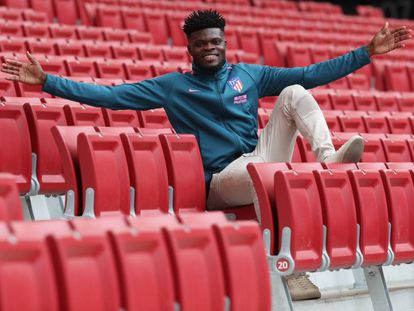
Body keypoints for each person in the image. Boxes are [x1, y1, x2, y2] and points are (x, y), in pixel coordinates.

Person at [1, 10, 411, 301]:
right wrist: (48, 82)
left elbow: (310, 74)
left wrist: (365, 53)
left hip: (257, 159)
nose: (209, 48)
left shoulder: (250, 75)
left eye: (215, 41)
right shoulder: (173, 87)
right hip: (219, 180)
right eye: (201, 44)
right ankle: (297, 255)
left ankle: (327, 161)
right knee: (263, 171)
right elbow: (111, 97)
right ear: (190, 49)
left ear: (224, 43)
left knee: (294, 93)